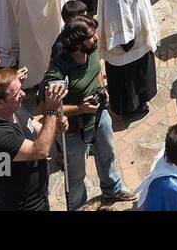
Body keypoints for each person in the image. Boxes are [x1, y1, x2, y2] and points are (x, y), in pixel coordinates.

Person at [42, 16, 136, 209]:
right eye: (91, 36)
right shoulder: (58, 70)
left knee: (107, 154)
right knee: (76, 174)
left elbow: (96, 73)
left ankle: (112, 188)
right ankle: (78, 207)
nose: (96, 39)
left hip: (100, 116)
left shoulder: (92, 51)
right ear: (77, 43)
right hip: (73, 130)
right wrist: (79, 109)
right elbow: (48, 108)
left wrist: (103, 90)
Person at [0, 71, 67, 211]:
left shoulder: (15, 110)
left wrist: (56, 127)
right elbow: (40, 150)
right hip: (22, 206)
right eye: (16, 93)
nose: (23, 94)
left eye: (21, 89)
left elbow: (40, 130)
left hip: (39, 198)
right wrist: (51, 112)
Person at [96, 0, 159, 118]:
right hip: (128, 42)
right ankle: (132, 107)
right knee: (131, 79)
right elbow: (119, 13)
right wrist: (126, 41)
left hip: (136, 35)